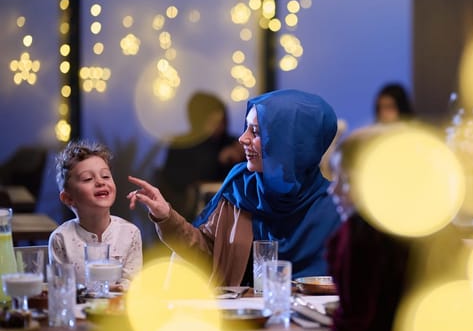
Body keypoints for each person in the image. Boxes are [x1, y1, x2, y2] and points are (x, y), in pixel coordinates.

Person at [127, 89, 342, 285]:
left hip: (318, 323)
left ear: (288, 143)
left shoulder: (336, 207)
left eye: (255, 132)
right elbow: (207, 253)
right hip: (245, 321)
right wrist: (167, 217)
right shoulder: (239, 189)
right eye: (246, 128)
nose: (242, 138)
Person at [326, 126, 411, 331]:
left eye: (344, 181)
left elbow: (357, 327)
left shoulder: (362, 236)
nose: (332, 190)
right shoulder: (427, 225)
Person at [49, 140, 143, 287]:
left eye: (105, 176)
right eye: (88, 179)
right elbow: (62, 288)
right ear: (68, 198)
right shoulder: (60, 239)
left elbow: (132, 285)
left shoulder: (130, 233)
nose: (100, 182)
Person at [158, 92, 244, 220]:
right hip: (191, 215)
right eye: (212, 119)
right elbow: (177, 182)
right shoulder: (182, 145)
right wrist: (219, 160)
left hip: (232, 213)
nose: (218, 124)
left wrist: (242, 158)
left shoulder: (235, 143)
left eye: (221, 119)